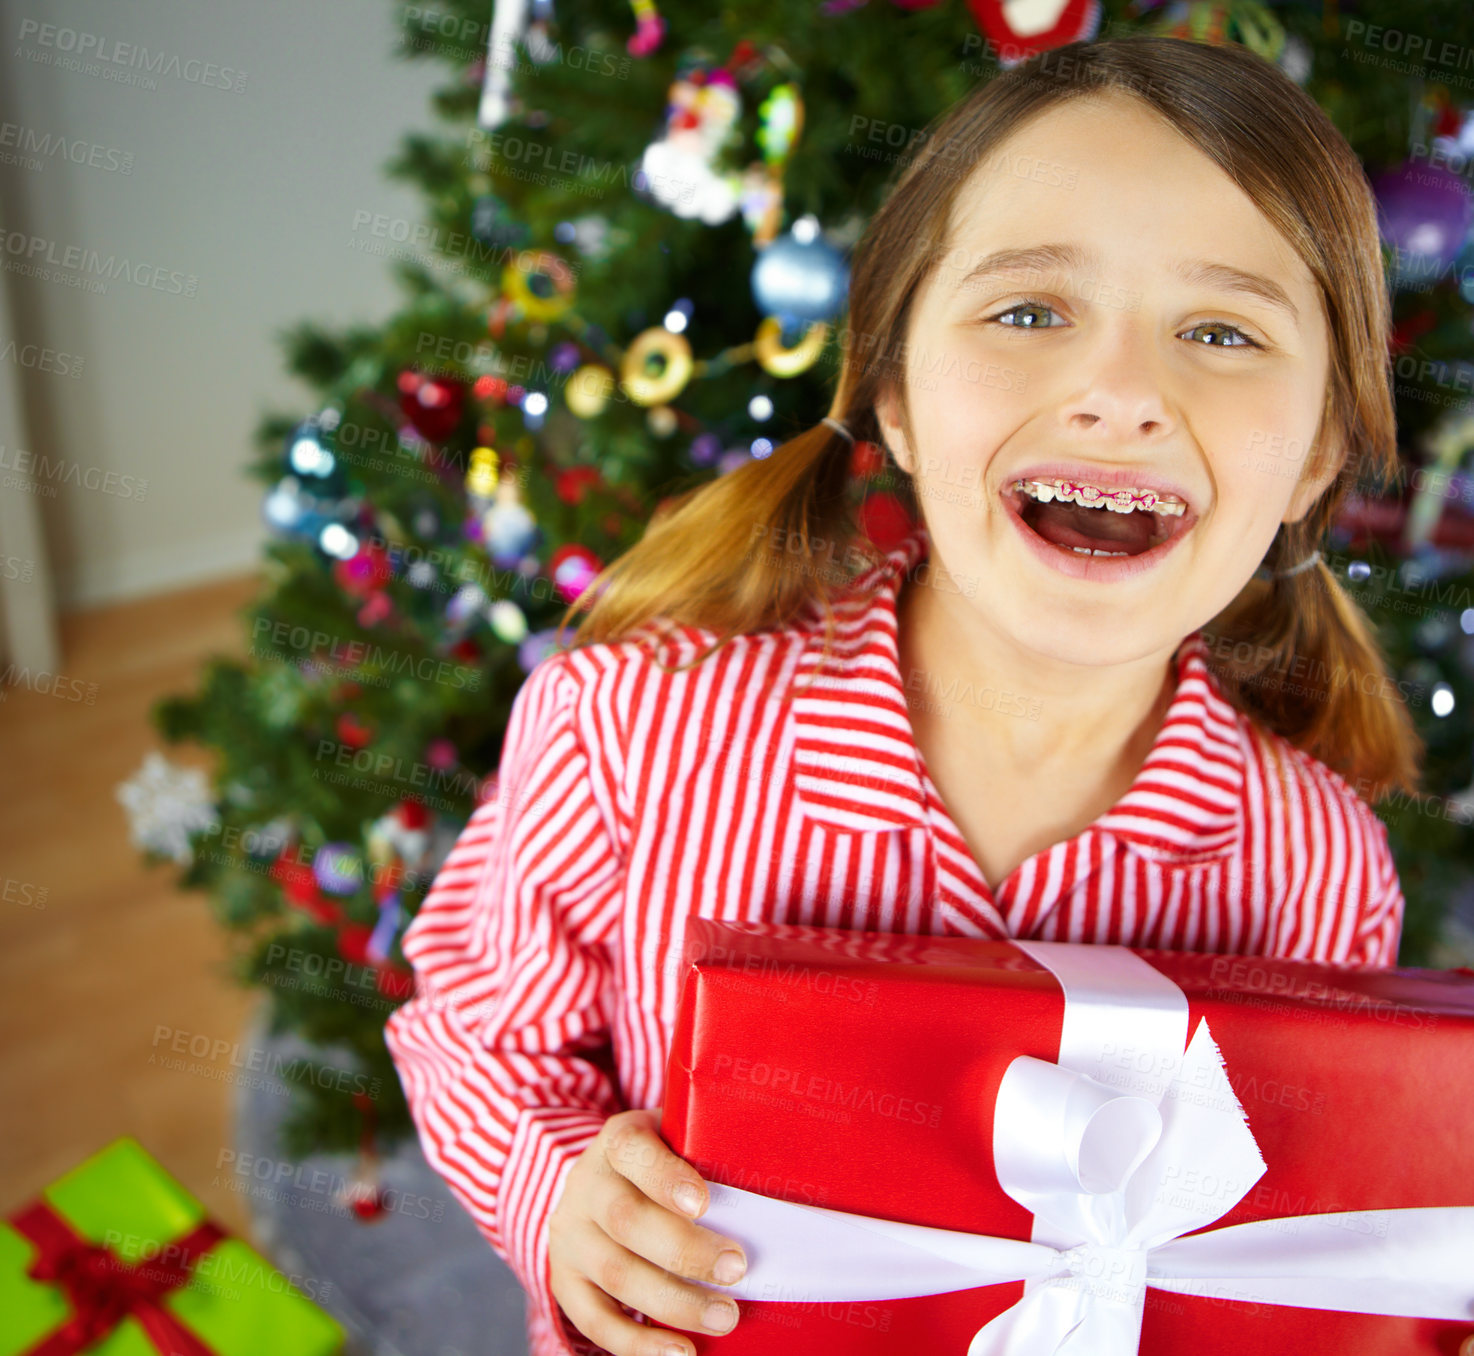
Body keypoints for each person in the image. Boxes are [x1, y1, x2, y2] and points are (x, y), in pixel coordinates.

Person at [385, 33, 1424, 1356]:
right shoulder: (626, 729)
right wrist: (558, 1194)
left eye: (1219, 330)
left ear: (1318, 454)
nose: (1118, 393)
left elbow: (1277, 1240)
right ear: (895, 397)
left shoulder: (1316, 876)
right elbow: (473, 1032)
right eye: (1028, 310)